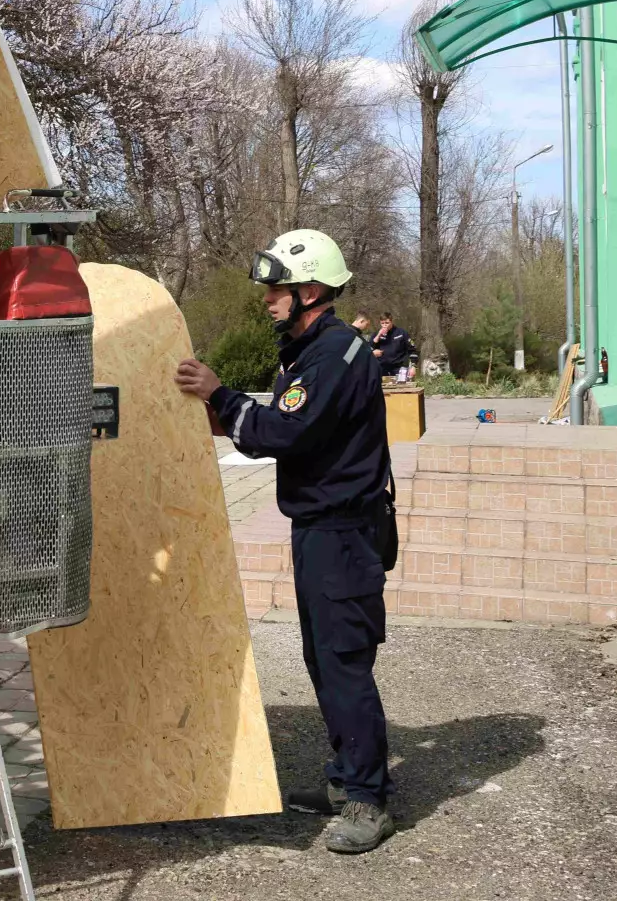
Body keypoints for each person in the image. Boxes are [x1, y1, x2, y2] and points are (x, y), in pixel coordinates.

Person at [172, 229, 396, 855]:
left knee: (344, 663)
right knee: (323, 659)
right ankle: (345, 777)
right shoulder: (309, 349)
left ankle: (368, 801)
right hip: (322, 531)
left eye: (278, 288)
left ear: (313, 289)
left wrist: (220, 394)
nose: (268, 299)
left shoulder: (333, 355)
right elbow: (277, 426)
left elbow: (285, 430)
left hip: (342, 534)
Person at [370, 313, 412, 378]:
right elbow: (370, 349)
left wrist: (413, 366)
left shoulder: (401, 333)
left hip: (399, 368)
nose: (384, 325)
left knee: (401, 387)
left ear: (391, 321)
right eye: (382, 323)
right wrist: (378, 335)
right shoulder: (376, 334)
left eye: (387, 323)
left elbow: (412, 349)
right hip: (382, 368)